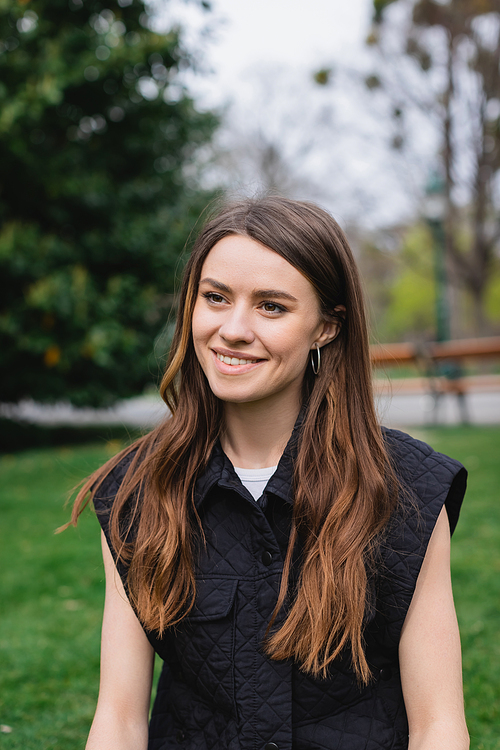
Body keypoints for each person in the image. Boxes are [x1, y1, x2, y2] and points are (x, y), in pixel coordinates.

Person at [70, 196, 469, 750]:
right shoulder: (138, 489)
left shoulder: (405, 488)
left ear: (326, 327)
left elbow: (439, 727)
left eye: (272, 307)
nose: (233, 329)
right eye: (215, 298)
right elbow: (118, 718)